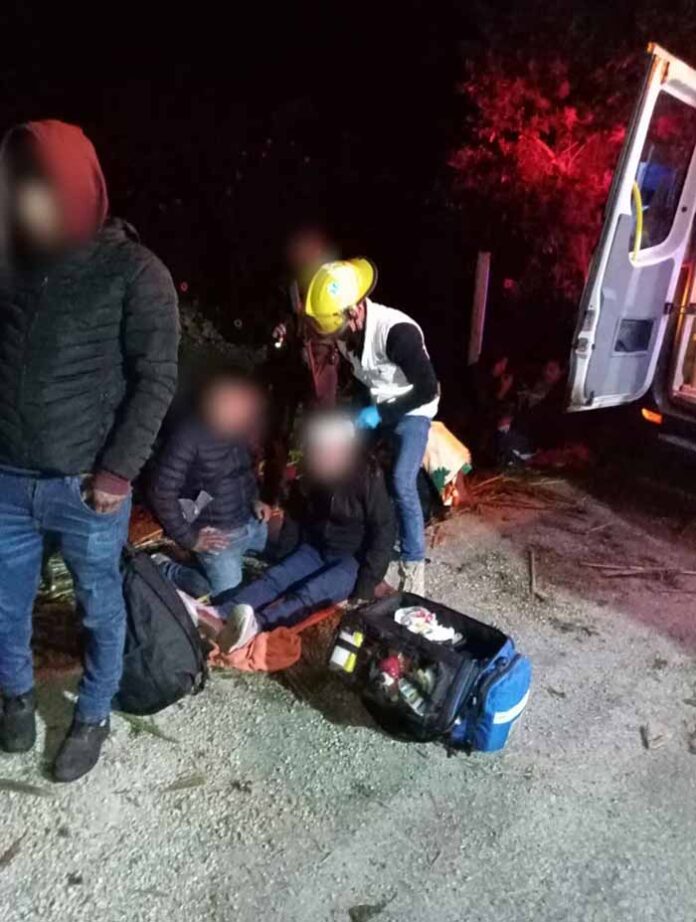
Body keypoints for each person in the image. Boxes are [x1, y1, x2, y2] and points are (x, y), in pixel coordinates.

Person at [0, 120, 179, 781]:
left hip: (86, 486)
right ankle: (17, 698)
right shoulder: (12, 262)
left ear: (83, 186)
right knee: (4, 605)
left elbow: (157, 377)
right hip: (8, 479)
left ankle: (94, 713)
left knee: (99, 607)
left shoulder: (134, 272)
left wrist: (117, 471)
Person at [303, 259, 439, 595]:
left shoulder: (398, 333)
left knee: (401, 480)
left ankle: (413, 565)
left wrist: (379, 415)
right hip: (379, 405)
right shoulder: (348, 334)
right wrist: (354, 417)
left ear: (354, 311)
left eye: (338, 331)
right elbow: (365, 377)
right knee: (356, 465)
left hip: (414, 408)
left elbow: (427, 388)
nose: (338, 339)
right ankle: (362, 540)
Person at [216, 413, 395, 653]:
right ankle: (222, 613)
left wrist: (366, 583)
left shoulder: (368, 477)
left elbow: (384, 530)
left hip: (352, 559)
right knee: (275, 578)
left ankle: (256, 627)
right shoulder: (313, 470)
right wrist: (286, 554)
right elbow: (297, 512)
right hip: (317, 547)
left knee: (309, 594)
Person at [149, 373, 272, 598]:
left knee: (278, 562)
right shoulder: (188, 437)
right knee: (224, 597)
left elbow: (243, 471)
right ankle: (166, 567)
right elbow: (162, 492)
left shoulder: (236, 428)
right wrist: (190, 539)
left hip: (251, 522)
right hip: (218, 536)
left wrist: (255, 499)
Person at [263, 226, 340, 504]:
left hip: (320, 364)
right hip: (289, 367)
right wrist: (281, 328)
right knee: (279, 432)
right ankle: (271, 494)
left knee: (320, 429)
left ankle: (319, 494)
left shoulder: (332, 282)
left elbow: (341, 323)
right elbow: (280, 315)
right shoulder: (290, 284)